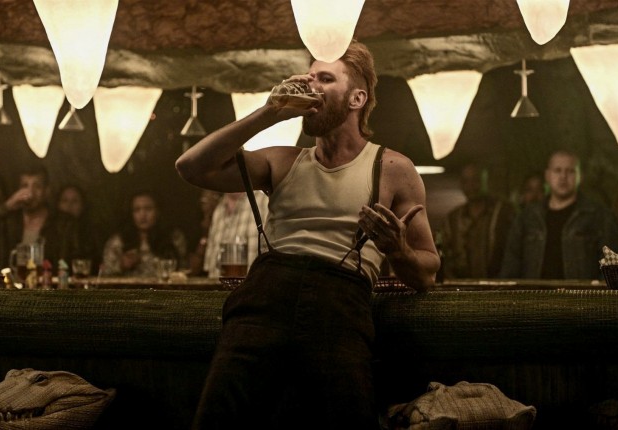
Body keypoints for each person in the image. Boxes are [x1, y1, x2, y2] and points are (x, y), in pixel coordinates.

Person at [175, 40, 439, 429]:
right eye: (309, 77)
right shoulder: (282, 160)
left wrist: (397, 250)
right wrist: (269, 112)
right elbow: (191, 166)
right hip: (264, 299)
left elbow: (427, 272)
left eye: (325, 78)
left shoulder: (393, 168)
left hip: (339, 306)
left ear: (356, 98)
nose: (310, 84)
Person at [499, 149, 618, 279]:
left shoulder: (599, 216)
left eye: (570, 171)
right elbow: (511, 265)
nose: (563, 176)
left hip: (580, 292)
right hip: (535, 292)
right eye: (557, 170)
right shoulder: (527, 217)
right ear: (547, 176)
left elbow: (613, 269)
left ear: (580, 176)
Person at [0, 164, 82, 274]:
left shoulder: (63, 223)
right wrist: (7, 206)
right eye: (25, 186)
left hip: (48, 288)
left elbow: (77, 262)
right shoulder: (8, 221)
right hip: (8, 289)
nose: (30, 192)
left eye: (37, 186)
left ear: (47, 191)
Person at [440, 163, 515, 278]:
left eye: (475, 180)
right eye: (466, 181)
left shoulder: (503, 213)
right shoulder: (452, 219)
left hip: (498, 284)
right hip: (461, 285)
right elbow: (445, 255)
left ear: (485, 181)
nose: (471, 186)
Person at [101, 190, 187, 277]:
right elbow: (104, 273)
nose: (142, 215)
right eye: (137, 210)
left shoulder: (174, 237)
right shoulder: (118, 241)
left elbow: (184, 270)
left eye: (148, 209)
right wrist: (121, 265)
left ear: (158, 211)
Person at [203, 191, 269, 279]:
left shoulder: (264, 201)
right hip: (219, 287)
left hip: (254, 286)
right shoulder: (218, 210)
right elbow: (210, 267)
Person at [55, 184, 101, 270]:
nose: (69, 205)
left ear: (82, 205)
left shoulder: (91, 233)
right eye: (65, 201)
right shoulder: (50, 230)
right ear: (58, 204)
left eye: (75, 201)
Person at [188, 190, 222, 277]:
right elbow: (193, 267)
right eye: (205, 200)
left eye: (214, 198)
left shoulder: (226, 226)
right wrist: (205, 237)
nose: (210, 204)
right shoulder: (196, 227)